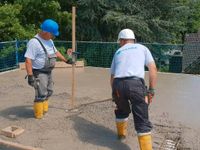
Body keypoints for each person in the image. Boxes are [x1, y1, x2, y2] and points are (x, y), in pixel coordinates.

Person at [110, 29, 157, 150]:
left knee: (121, 110)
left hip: (118, 84)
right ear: (133, 40)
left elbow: (112, 77)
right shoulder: (142, 48)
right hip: (135, 84)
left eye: (120, 41)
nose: (120, 44)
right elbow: (152, 69)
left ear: (122, 40)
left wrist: (115, 94)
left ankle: (121, 136)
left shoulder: (118, 52)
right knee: (142, 121)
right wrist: (151, 90)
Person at [24, 19, 74, 119]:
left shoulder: (50, 41)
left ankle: (44, 109)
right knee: (41, 93)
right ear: (46, 32)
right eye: (52, 34)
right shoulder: (34, 42)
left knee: (49, 91)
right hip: (39, 72)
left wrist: (66, 60)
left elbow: (56, 52)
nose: (53, 37)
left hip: (48, 71)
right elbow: (28, 60)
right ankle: (38, 114)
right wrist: (30, 76)